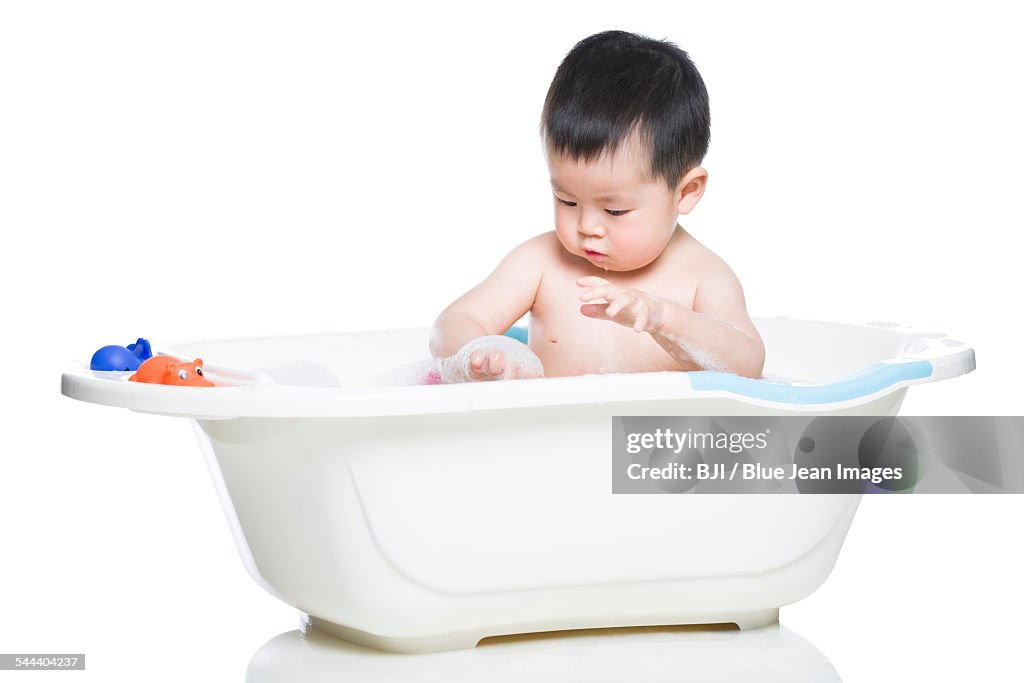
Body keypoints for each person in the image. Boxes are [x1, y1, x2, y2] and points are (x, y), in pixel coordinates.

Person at [430, 30, 764, 383]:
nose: (587, 225)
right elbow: (452, 324)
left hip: (649, 437)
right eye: (566, 200)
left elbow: (747, 364)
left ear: (686, 192)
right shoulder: (540, 262)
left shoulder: (703, 277)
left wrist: (665, 319)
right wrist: (476, 354)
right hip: (551, 434)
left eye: (615, 210)